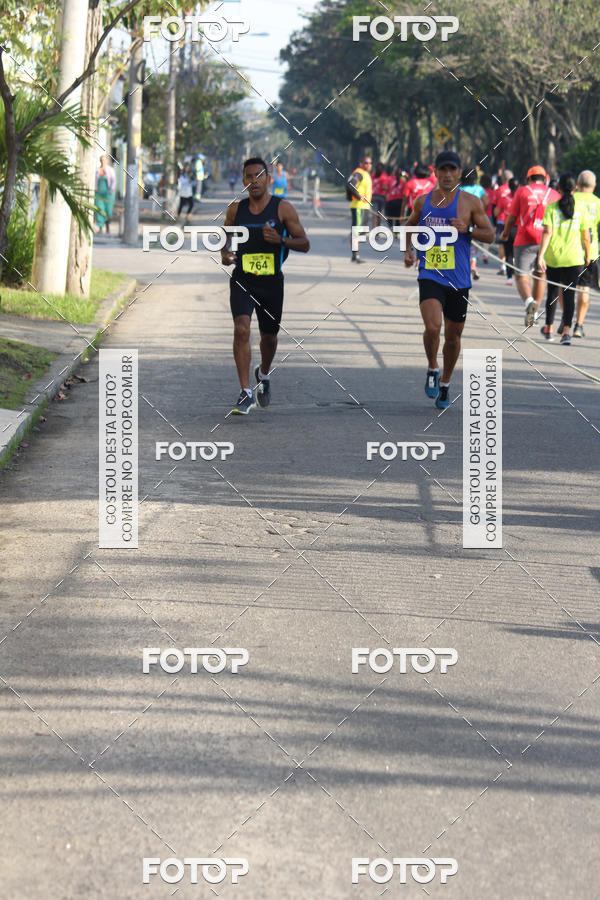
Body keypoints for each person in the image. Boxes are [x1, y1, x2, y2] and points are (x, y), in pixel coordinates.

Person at [404, 150, 494, 409]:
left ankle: (445, 382)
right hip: (430, 272)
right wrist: (408, 250)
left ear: (459, 172)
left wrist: (468, 230)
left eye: (452, 170)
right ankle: (433, 366)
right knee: (433, 328)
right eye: (442, 170)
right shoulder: (423, 202)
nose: (447, 174)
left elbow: (490, 235)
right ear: (435, 172)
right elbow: (410, 225)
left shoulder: (471, 203)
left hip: (459, 279)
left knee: (453, 338)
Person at [221, 157, 310, 415]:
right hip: (243, 279)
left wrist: (281, 239)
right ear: (243, 181)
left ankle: (264, 373)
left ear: (268, 178)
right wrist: (225, 253)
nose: (253, 181)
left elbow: (304, 243)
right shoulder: (236, 210)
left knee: (269, 338)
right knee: (241, 329)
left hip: (271, 283)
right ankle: (245, 392)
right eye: (248, 177)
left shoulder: (283, 209)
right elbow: (225, 238)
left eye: (258, 176)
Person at [500, 165, 560, 327]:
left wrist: (505, 234)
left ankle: (529, 301)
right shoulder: (554, 194)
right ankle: (535, 311)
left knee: (521, 276)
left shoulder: (522, 191)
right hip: (546, 241)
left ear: (528, 178)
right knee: (541, 275)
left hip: (524, 239)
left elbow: (512, 217)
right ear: (545, 177)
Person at [538, 173, 591, 345]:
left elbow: (547, 233)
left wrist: (540, 256)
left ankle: (549, 328)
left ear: (558, 188)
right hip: (574, 259)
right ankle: (566, 332)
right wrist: (587, 254)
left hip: (554, 257)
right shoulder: (581, 208)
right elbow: (585, 236)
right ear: (574, 187)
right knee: (569, 295)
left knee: (552, 293)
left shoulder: (552, 208)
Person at [572, 169, 600, 337]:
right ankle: (579, 324)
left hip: (570, 249)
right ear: (594, 185)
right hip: (591, 252)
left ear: (578, 183)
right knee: (584, 289)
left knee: (565, 287)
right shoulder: (597, 202)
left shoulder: (572, 199)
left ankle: (566, 319)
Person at [461, 170, 487, 280]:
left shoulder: (459, 190)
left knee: (463, 244)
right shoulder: (479, 189)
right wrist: (480, 212)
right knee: (474, 244)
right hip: (475, 221)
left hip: (462, 220)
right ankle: (473, 264)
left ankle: (465, 266)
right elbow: (486, 202)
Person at [347, 155, 373, 263]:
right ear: (361, 163)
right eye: (366, 163)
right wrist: (359, 196)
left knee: (361, 231)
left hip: (364, 207)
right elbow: (350, 185)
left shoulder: (365, 174)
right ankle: (355, 255)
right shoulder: (359, 173)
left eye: (370, 163)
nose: (369, 165)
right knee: (357, 231)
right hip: (359, 206)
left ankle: (355, 250)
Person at [495, 177, 519, 286]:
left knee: (508, 253)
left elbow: (496, 213)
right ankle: (522, 276)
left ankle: (509, 278)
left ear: (509, 187)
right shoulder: (522, 197)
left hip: (508, 228)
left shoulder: (504, 199)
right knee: (519, 253)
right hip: (520, 229)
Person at [492, 170, 513, 276]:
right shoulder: (516, 189)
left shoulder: (499, 190)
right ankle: (512, 264)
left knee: (501, 243)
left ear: (503, 179)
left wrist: (494, 224)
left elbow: (494, 206)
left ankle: (503, 266)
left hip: (501, 219)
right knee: (512, 242)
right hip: (515, 221)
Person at [95, 155, 116, 233]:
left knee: (108, 210)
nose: (103, 162)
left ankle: (108, 226)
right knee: (100, 210)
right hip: (99, 193)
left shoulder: (110, 170)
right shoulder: (97, 170)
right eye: (101, 160)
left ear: (106, 161)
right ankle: (100, 227)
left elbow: (113, 181)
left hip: (108, 193)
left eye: (104, 160)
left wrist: (112, 189)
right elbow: (95, 181)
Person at [370, 163, 388, 227]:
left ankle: (374, 229)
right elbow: (385, 187)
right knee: (378, 214)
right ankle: (377, 229)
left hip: (375, 196)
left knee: (374, 214)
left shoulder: (373, 175)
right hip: (380, 197)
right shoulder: (384, 176)